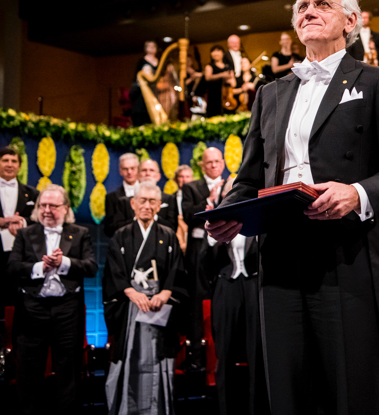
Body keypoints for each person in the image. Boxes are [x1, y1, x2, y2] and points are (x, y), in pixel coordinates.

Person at [206, 0, 379, 414]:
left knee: (349, 388)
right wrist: (227, 213)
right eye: (302, 7)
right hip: (279, 257)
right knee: (287, 392)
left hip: (346, 255)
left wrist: (356, 192)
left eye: (322, 4)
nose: (308, 11)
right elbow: (249, 178)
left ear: (351, 20)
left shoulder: (376, 81)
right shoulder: (269, 94)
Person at [7, 185, 97, 415]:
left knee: (68, 371)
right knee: (28, 372)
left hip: (67, 311)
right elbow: (13, 267)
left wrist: (64, 263)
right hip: (32, 311)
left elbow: (91, 267)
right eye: (42, 205)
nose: (47, 210)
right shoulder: (26, 234)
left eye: (53, 205)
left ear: (65, 208)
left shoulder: (80, 233)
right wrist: (41, 266)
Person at [103, 181, 185, 415]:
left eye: (152, 201)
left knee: (158, 359)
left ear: (159, 205)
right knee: (131, 359)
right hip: (130, 309)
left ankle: (157, 409)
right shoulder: (121, 235)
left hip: (159, 308)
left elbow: (178, 270)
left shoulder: (168, 236)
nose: (147, 206)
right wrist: (131, 292)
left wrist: (166, 292)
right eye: (142, 200)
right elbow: (113, 271)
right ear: (133, 203)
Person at [204, 177, 262, 415]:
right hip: (227, 285)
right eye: (230, 193)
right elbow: (204, 264)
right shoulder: (216, 223)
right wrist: (211, 236)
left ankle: (257, 409)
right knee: (224, 356)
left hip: (254, 283)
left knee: (256, 355)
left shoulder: (259, 217)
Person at [0, 147, 38, 339]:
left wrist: (22, 223)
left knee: (19, 306)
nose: (9, 164)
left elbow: (39, 220)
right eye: (5, 160)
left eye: (14, 161)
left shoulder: (32, 193)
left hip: (22, 259)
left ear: (20, 166)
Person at [182, 147, 226, 372]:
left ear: (223, 162)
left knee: (223, 300)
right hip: (198, 253)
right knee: (197, 306)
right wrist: (207, 201)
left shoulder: (233, 185)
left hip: (225, 252)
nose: (214, 165)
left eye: (217, 161)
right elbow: (189, 217)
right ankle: (196, 358)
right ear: (202, 165)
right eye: (209, 162)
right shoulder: (191, 187)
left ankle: (223, 355)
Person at [110, 159, 179, 235]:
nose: (147, 173)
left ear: (158, 176)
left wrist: (153, 217)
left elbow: (173, 227)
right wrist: (137, 219)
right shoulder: (124, 202)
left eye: (151, 170)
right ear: (138, 175)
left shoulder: (170, 199)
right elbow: (114, 229)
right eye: (144, 170)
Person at [104, 153, 140, 238]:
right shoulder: (111, 198)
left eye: (132, 168)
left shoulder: (148, 193)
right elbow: (108, 229)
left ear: (138, 169)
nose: (129, 172)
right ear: (120, 171)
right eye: (125, 169)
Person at [129, 41, 159, 127]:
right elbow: (132, 94)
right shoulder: (141, 62)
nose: (152, 48)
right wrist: (141, 83)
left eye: (154, 46)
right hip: (140, 108)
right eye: (149, 46)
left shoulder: (159, 63)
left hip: (154, 102)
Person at [204, 45, 235, 117]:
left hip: (226, 96)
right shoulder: (209, 66)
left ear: (223, 53)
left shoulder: (228, 67)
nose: (215, 53)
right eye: (213, 51)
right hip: (214, 96)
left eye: (218, 51)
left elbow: (233, 83)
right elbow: (208, 77)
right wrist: (222, 75)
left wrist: (229, 80)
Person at [173, 165, 193, 252]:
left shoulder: (196, 197)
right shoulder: (171, 197)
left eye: (187, 177)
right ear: (176, 179)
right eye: (181, 176)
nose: (184, 180)